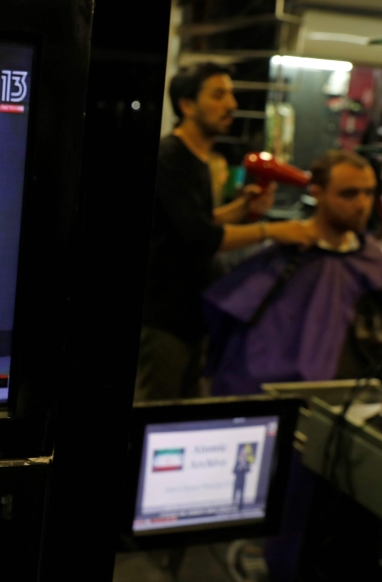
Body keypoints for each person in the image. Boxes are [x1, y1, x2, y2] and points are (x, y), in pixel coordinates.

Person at [136, 63, 319, 402]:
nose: (231, 104)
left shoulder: (198, 159)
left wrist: (243, 209)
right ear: (187, 106)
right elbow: (201, 238)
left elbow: (197, 221)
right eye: (218, 95)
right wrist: (275, 230)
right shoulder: (170, 158)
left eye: (231, 94)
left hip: (190, 316)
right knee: (153, 413)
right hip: (165, 318)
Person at [203, 150, 382, 395]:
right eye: (348, 193)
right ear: (317, 192)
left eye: (369, 193)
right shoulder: (281, 259)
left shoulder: (373, 261)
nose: (362, 204)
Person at [232, 443, 254, 510]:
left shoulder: (247, 462)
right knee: (235, 493)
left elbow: (249, 470)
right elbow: (233, 471)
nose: (243, 455)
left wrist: (245, 467)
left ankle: (240, 507)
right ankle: (233, 505)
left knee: (241, 494)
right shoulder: (237, 462)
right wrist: (238, 468)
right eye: (242, 453)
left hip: (243, 480)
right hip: (237, 480)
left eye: (245, 454)